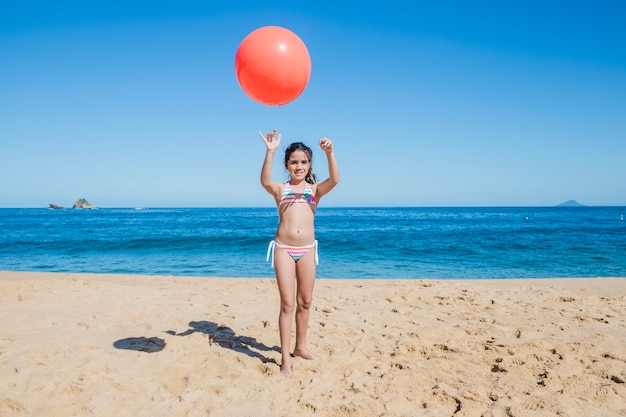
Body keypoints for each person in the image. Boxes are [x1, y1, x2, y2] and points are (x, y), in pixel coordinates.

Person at [259, 129, 340, 378]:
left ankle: (301, 347)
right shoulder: (280, 189)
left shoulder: (314, 191)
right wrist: (270, 151)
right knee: (288, 304)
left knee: (305, 302)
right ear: (287, 164)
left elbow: (335, 180)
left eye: (304, 162)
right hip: (283, 249)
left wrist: (330, 153)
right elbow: (264, 181)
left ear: (309, 164)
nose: (299, 166)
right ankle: (285, 359)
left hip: (307, 250)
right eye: (294, 162)